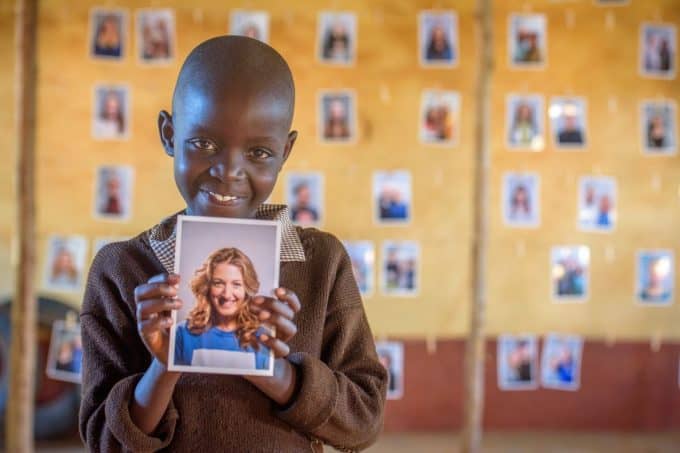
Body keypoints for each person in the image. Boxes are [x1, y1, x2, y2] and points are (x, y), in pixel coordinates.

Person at [79, 36, 387, 452]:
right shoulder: (121, 270)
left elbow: (363, 421)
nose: (228, 172)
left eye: (259, 152)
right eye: (203, 144)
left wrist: (275, 373)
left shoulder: (321, 263)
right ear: (169, 134)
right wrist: (165, 365)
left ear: (286, 151)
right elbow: (102, 441)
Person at [174, 248, 270, 369]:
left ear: (247, 289)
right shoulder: (182, 333)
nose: (227, 294)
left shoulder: (263, 338)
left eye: (236, 284)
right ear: (207, 287)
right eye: (218, 283)